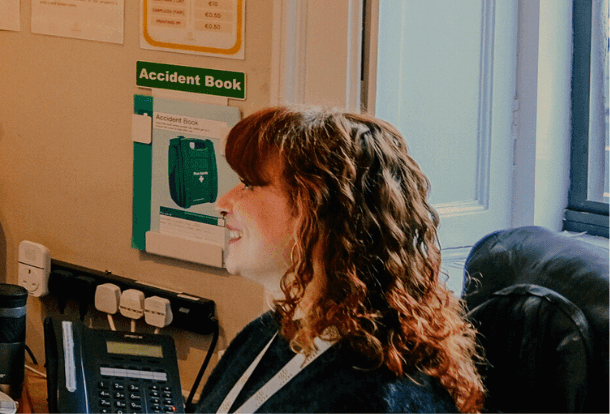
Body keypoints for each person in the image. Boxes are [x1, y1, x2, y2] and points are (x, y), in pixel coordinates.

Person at [194, 106, 483, 414]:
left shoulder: (377, 393)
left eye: (249, 184)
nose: (222, 203)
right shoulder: (267, 333)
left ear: (318, 208)